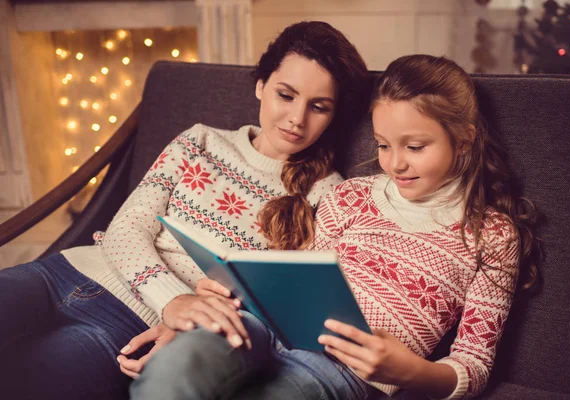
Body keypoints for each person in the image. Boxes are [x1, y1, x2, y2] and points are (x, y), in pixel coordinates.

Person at [129, 54, 539, 400]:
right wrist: (234, 289)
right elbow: (296, 277)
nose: (395, 163)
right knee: (179, 364)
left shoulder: (493, 235)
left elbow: (474, 362)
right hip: (263, 327)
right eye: (382, 144)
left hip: (342, 372)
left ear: (464, 141)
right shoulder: (351, 196)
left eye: (415, 147)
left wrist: (410, 371)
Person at [0, 21, 369, 400]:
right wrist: (173, 299)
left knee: (25, 383)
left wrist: (185, 326)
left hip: (129, 324)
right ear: (261, 85)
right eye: (286, 95)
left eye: (318, 107)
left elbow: (281, 302)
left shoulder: (331, 194)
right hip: (63, 271)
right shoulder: (199, 141)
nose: (297, 118)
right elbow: (127, 227)